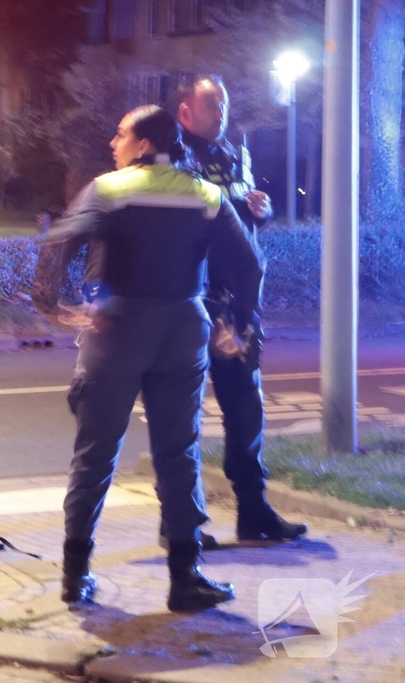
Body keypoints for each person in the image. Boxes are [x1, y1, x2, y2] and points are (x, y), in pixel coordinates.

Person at [45, 105, 264, 612]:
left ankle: (75, 576)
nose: (113, 143)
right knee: (179, 451)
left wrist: (55, 304)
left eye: (121, 134)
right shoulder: (205, 195)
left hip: (117, 328)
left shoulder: (109, 189)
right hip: (183, 328)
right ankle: (185, 579)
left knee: (95, 453)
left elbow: (59, 244)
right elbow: (248, 263)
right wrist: (237, 323)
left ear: (144, 144)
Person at [176, 74, 307, 544]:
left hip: (238, 306)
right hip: (194, 301)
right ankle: (182, 525)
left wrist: (262, 210)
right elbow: (187, 214)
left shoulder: (237, 154)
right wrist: (236, 202)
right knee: (181, 416)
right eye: (212, 104)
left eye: (225, 104)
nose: (221, 113)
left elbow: (246, 226)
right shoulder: (174, 157)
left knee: (246, 410)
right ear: (186, 112)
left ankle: (253, 511)